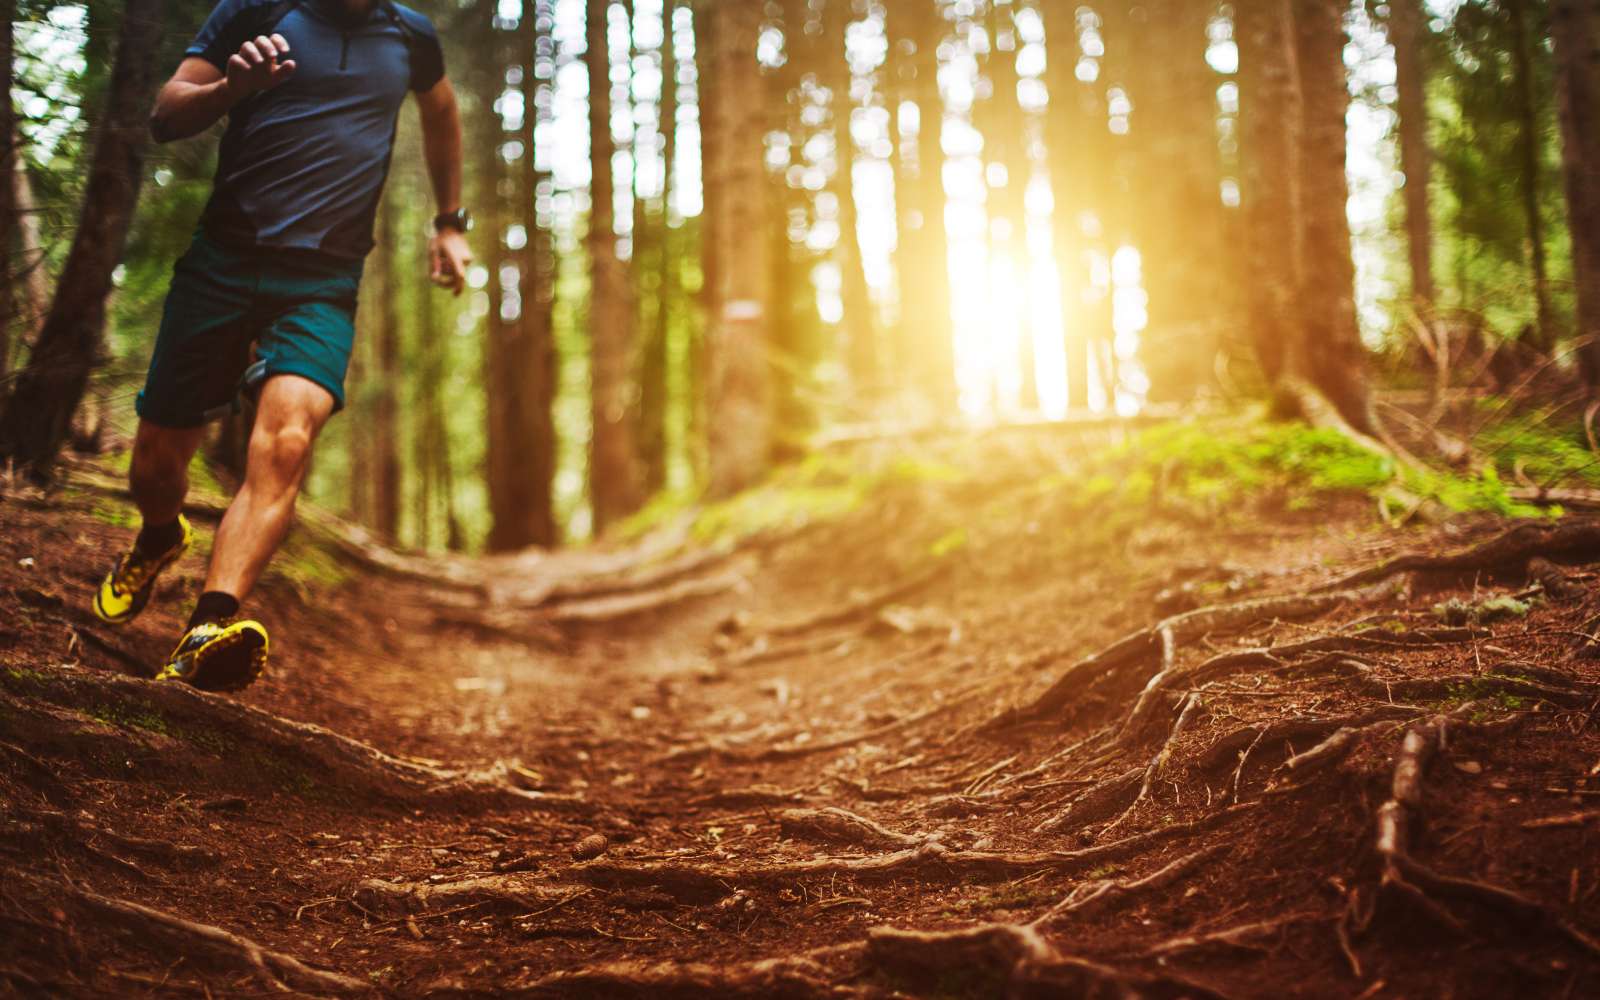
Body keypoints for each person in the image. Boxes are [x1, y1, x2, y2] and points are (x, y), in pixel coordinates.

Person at [92, 0, 472, 693]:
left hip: (323, 280)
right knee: (155, 467)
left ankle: (206, 628)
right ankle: (158, 536)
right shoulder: (257, 10)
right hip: (223, 263)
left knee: (287, 441)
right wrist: (231, 90)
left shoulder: (409, 34)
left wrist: (450, 222)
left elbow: (441, 110)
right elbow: (166, 115)